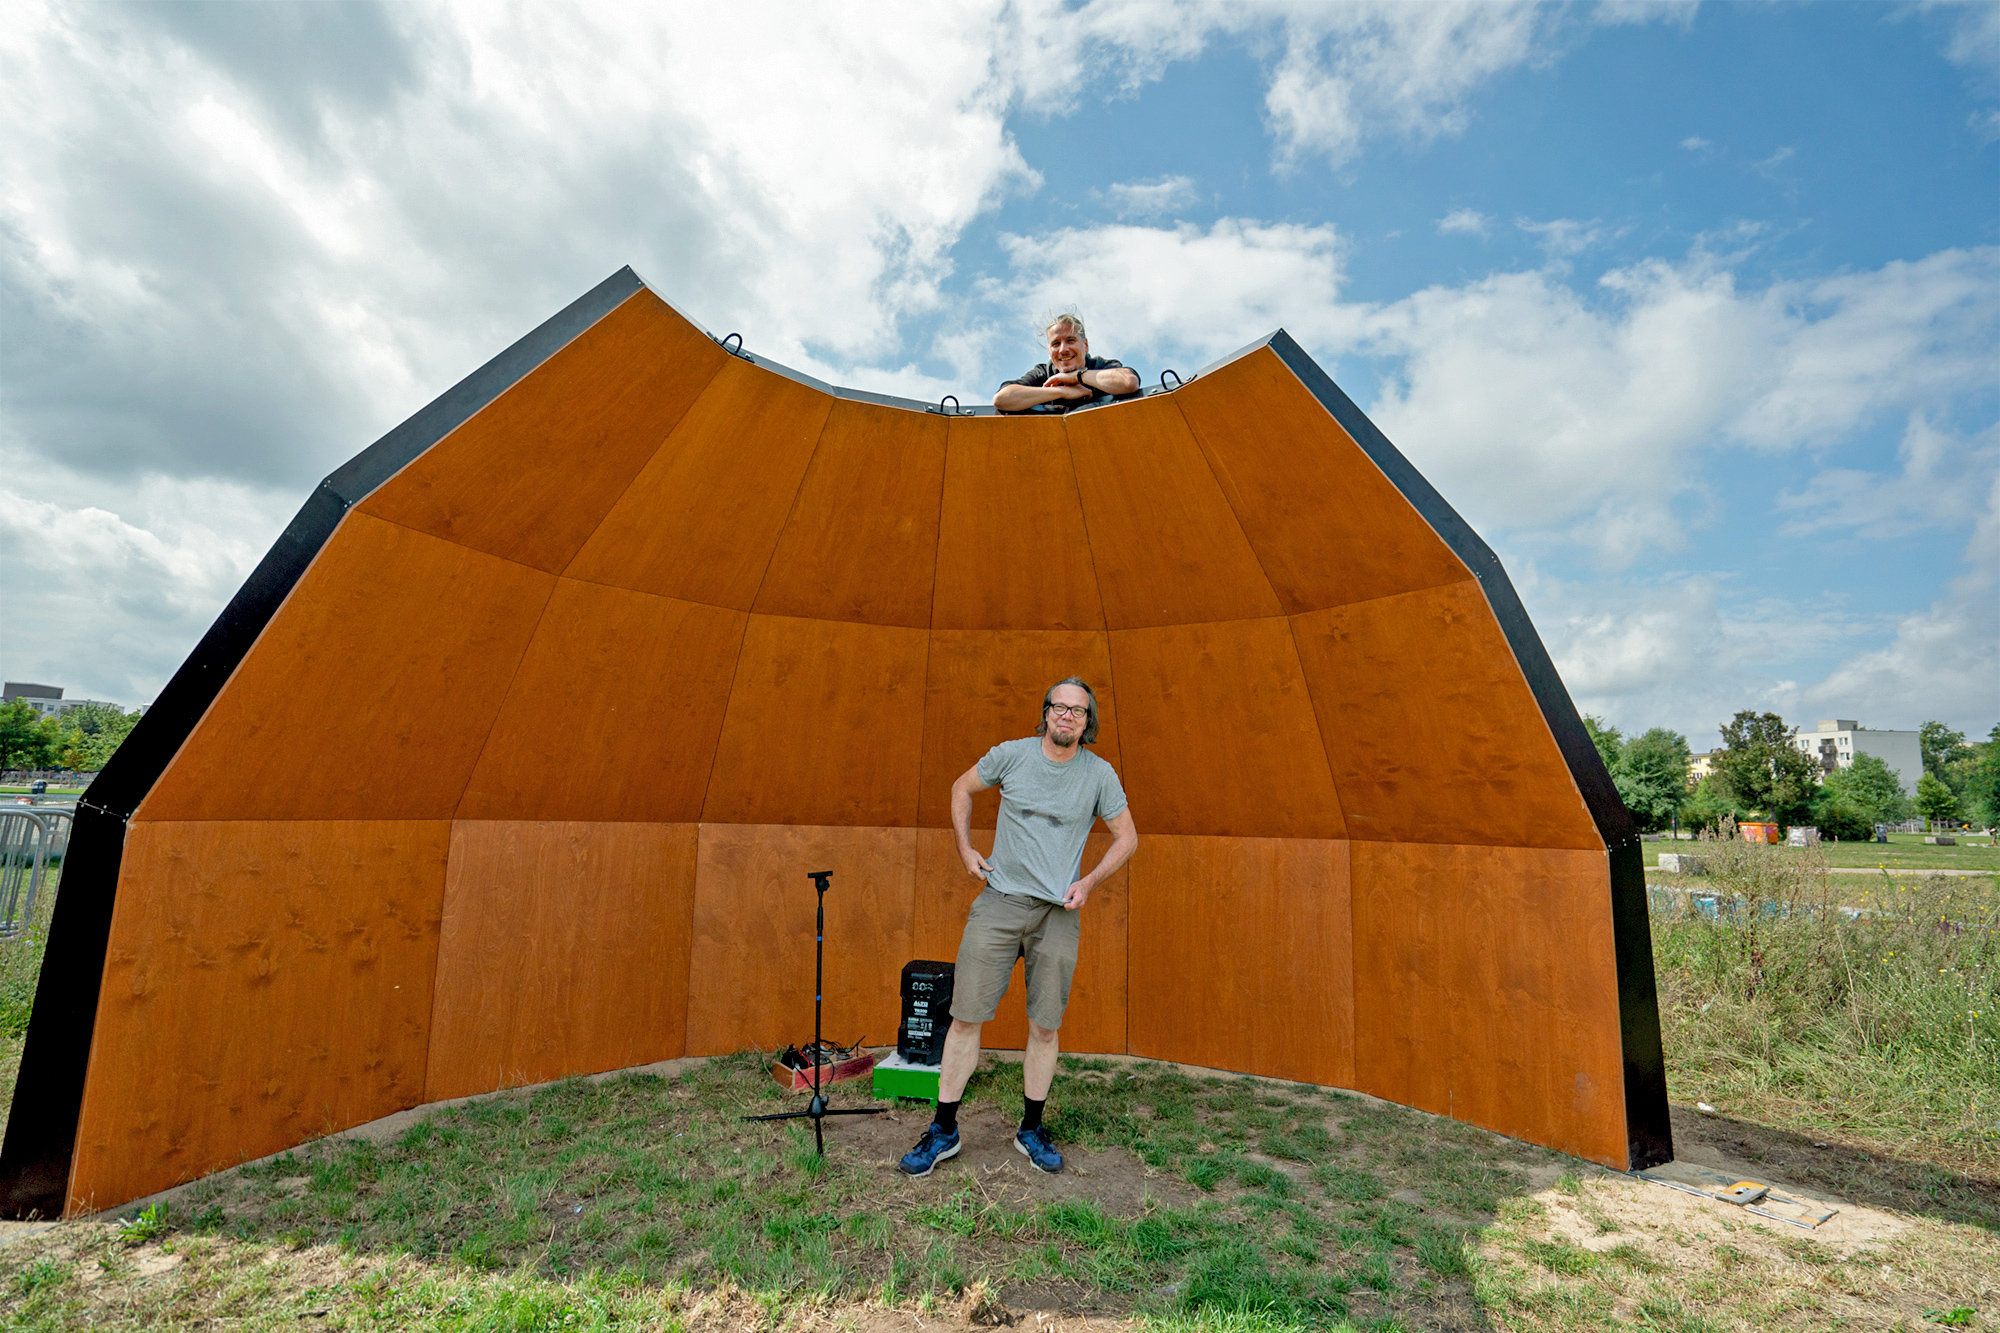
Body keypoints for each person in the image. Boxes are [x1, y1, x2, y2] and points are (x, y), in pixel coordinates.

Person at [899, 678, 1139, 1178]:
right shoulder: (1011, 755)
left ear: (1088, 722)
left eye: (1077, 711)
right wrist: (965, 849)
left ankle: (1031, 1129)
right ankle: (943, 1130)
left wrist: (1089, 882)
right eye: (1059, 707)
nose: (1067, 716)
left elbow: (1127, 838)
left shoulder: (1099, 775)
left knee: (1045, 1026)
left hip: (1058, 912)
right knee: (964, 1017)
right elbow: (961, 787)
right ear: (1046, 712)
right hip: (1000, 901)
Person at [992, 312, 1141, 413]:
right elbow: (1002, 399)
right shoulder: (1043, 373)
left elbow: (1129, 382)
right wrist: (1062, 391)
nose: (1063, 350)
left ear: (1085, 345)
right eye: (1056, 344)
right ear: (1049, 351)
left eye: (1070, 340)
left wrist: (1077, 376)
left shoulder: (1100, 366)